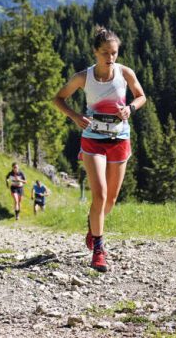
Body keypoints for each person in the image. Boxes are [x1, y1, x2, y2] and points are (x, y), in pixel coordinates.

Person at [53, 26, 146, 273]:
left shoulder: (125, 73)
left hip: (119, 139)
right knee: (100, 195)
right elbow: (58, 98)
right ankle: (99, 251)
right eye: (105, 52)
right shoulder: (83, 77)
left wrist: (131, 109)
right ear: (95, 52)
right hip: (92, 139)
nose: (110, 57)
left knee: (112, 199)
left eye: (114, 52)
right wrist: (74, 116)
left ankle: (94, 225)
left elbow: (141, 97)